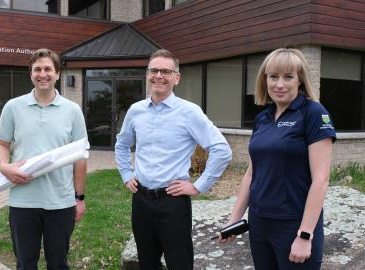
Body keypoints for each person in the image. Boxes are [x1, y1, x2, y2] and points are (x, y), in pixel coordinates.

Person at [115, 49, 232, 270]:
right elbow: (122, 144)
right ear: (147, 74)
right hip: (140, 200)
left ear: (176, 78)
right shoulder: (135, 111)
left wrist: (198, 186)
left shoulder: (189, 112)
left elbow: (221, 149)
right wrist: (126, 174)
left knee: (180, 264)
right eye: (154, 70)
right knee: (147, 264)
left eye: (166, 71)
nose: (158, 75)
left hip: (172, 202)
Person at [219, 48, 336, 270]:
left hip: (293, 223)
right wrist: (235, 218)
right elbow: (252, 173)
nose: (279, 84)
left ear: (300, 80)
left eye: (288, 77)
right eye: (273, 76)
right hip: (260, 223)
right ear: (265, 80)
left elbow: (321, 179)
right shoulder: (262, 117)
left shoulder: (313, 113)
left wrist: (305, 235)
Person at [0, 48, 87, 270]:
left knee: (58, 264)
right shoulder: (13, 107)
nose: (42, 74)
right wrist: (4, 167)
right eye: (37, 69)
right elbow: (1, 144)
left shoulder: (72, 110)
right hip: (23, 202)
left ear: (57, 74)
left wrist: (80, 198)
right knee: (25, 264)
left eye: (47, 69)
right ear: (31, 74)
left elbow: (81, 157)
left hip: (61, 202)